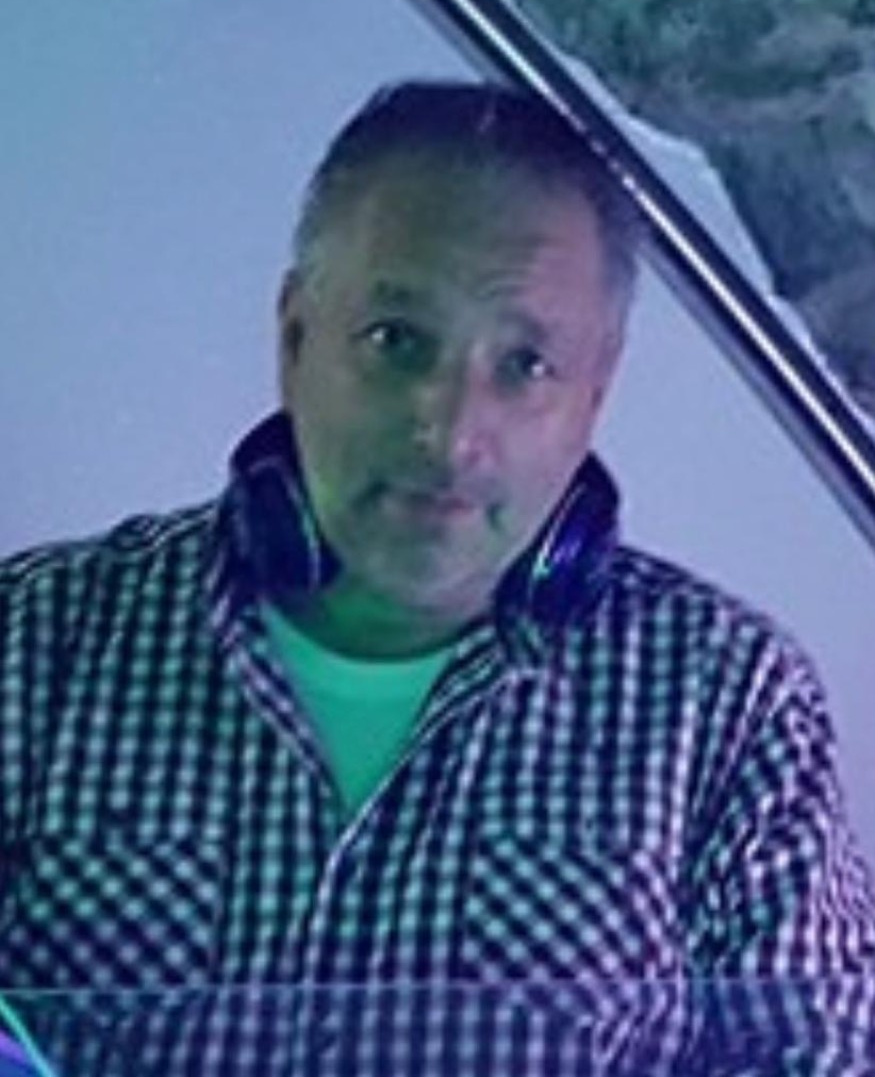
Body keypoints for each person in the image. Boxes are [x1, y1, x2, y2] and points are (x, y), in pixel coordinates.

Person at [0, 80, 873, 1074]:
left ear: (595, 391)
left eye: (524, 364)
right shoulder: (32, 642)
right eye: (395, 341)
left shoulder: (730, 704)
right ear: (294, 336)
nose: (450, 431)